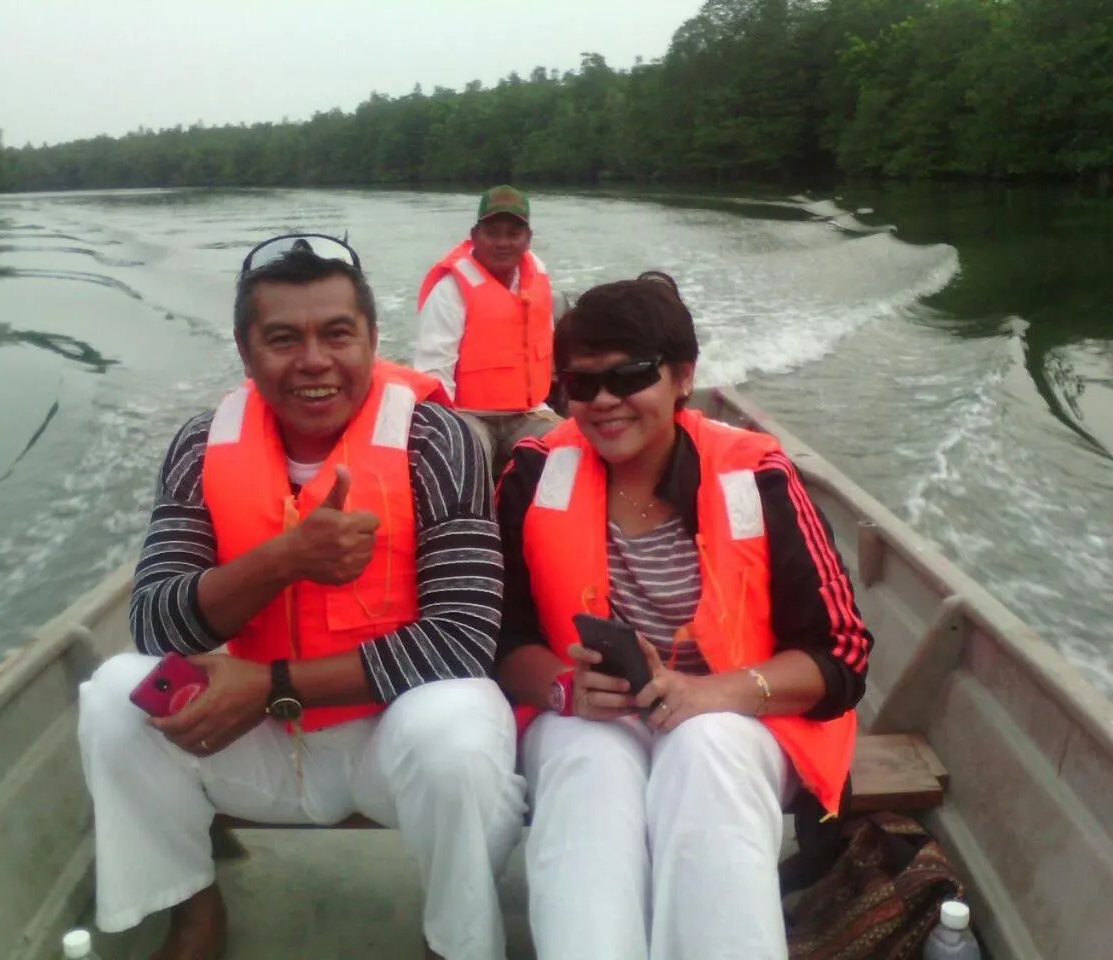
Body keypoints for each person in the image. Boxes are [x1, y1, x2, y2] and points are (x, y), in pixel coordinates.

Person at [78, 235, 527, 960]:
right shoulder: (199, 446)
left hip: (392, 745)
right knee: (114, 695)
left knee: (462, 729)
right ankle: (193, 915)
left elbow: (464, 637)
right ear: (246, 351)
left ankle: (455, 944)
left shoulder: (438, 440)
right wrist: (283, 560)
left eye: (337, 333)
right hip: (253, 747)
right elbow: (155, 617)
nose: (314, 360)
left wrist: (271, 686)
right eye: (283, 338)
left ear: (373, 340)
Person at [494, 276, 873, 960]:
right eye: (581, 385)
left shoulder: (758, 477)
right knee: (587, 760)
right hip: (591, 717)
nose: (604, 402)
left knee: (706, 749)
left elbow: (841, 655)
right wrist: (563, 688)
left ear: (683, 377)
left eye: (629, 376)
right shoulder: (531, 475)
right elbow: (503, 637)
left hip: (742, 721)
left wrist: (710, 694)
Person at [414, 185, 564, 474]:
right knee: (465, 456)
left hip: (528, 412)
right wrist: (449, 428)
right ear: (474, 236)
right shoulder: (451, 289)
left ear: (528, 238)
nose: (503, 242)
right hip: (468, 415)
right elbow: (432, 373)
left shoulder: (537, 279)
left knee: (573, 446)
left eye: (513, 233)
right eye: (492, 232)